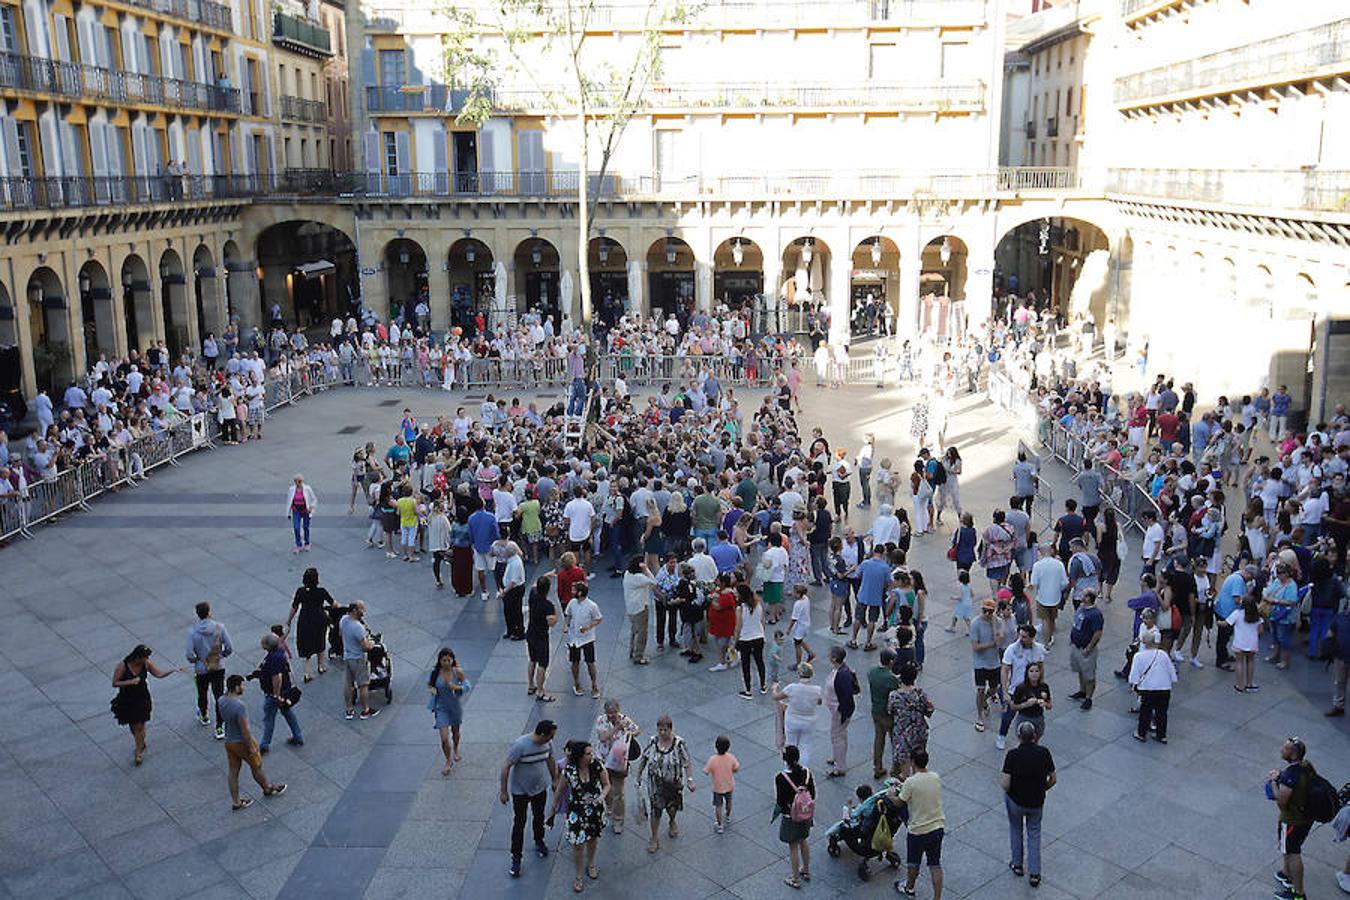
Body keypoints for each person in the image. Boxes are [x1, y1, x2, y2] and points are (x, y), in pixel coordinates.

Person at [219, 674, 287, 810]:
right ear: (236, 687)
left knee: (233, 772)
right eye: (242, 685)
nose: (244, 688)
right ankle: (267, 788)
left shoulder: (221, 700)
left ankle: (236, 802)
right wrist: (251, 747)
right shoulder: (239, 706)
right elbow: (245, 730)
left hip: (229, 741)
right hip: (242, 742)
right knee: (256, 767)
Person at [501, 719, 559, 878]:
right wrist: (503, 791)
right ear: (541, 734)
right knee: (519, 822)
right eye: (549, 736)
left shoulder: (548, 743)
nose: (551, 740)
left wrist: (554, 779)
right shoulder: (520, 745)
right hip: (520, 791)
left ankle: (539, 840)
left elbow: (550, 759)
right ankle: (516, 857)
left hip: (539, 788)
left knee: (539, 816)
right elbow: (506, 766)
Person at [1001, 720, 1056, 887]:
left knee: (1016, 829)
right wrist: (1043, 789)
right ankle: (1035, 873)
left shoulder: (1012, 755)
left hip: (1016, 801)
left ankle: (1017, 864)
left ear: (1019, 736)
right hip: (1036, 801)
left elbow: (1005, 783)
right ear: (1035, 736)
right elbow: (1053, 779)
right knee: (1034, 834)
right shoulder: (1044, 753)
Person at [111, 644, 184, 766]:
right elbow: (115, 682)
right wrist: (130, 682)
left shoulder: (146, 664)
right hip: (127, 699)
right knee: (134, 727)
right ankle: (140, 741)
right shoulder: (123, 665)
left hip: (142, 698)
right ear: (137, 657)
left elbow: (158, 674)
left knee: (140, 725)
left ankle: (138, 752)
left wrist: (171, 671)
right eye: (144, 657)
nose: (146, 659)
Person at [634, 714, 695, 854]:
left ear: (670, 729)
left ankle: (672, 821)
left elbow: (686, 763)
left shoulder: (679, 743)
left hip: (673, 783)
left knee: (672, 808)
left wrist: (690, 779)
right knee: (656, 811)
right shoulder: (653, 741)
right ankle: (654, 837)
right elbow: (644, 758)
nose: (662, 733)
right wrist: (638, 775)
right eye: (660, 730)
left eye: (665, 730)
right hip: (656, 785)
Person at [555, 740, 611, 893]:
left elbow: (607, 784)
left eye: (591, 753)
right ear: (579, 756)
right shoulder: (569, 770)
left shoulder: (597, 766)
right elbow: (559, 791)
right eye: (588, 754)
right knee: (578, 845)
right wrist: (553, 810)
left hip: (594, 809)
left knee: (592, 839)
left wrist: (602, 796)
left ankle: (591, 863)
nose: (591, 756)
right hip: (576, 811)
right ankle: (579, 875)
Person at [895, 749, 945, 900]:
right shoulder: (935, 777)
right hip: (937, 827)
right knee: (935, 864)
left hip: (918, 830)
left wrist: (891, 795)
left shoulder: (910, 782)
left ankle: (909, 887)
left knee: (913, 862)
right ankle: (937, 898)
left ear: (912, 762)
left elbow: (899, 802)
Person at [1269, 737, 1315, 900]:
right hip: (1306, 818)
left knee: (1292, 852)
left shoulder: (1291, 775)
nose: (1282, 750)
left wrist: (1274, 781)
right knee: (1290, 849)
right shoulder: (1306, 766)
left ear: (1294, 755)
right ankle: (1287, 874)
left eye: (1285, 748)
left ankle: (1299, 895)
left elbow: (1281, 801)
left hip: (1292, 821)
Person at [185, 601, 233, 740]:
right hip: (218, 666)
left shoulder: (192, 632)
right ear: (209, 612)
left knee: (202, 692)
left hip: (202, 668)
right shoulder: (220, 627)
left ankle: (204, 715)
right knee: (219, 695)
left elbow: (189, 654)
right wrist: (222, 656)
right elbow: (229, 647)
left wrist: (196, 660)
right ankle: (219, 726)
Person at [593, 699, 640, 834]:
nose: (612, 715)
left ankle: (618, 819)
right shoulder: (601, 720)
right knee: (606, 787)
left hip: (619, 761)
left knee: (618, 792)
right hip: (603, 759)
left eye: (614, 712)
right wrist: (616, 728)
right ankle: (609, 807)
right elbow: (603, 737)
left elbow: (637, 730)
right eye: (610, 713)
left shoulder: (625, 719)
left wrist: (629, 733)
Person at [997, 624, 1046, 751]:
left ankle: (1030, 740)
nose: (1020, 639)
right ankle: (1001, 735)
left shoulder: (1039, 649)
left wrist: (1041, 687)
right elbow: (1005, 669)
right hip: (1015, 689)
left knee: (1032, 716)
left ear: (1032, 637)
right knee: (1008, 715)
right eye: (1020, 635)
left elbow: (1041, 668)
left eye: (1024, 637)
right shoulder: (1012, 649)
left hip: (1032, 688)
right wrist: (1005, 691)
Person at [775, 744, 815, 889]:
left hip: (790, 816)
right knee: (803, 840)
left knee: (793, 846)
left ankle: (795, 879)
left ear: (785, 759)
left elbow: (780, 801)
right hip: (806, 814)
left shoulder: (781, 777)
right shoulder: (807, 773)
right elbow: (813, 794)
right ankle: (806, 869)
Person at [286, 567, 335, 682]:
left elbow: (294, 607)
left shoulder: (300, 591)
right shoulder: (321, 591)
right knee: (320, 640)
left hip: (305, 619)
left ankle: (307, 672)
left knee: (306, 643)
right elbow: (333, 603)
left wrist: (289, 620)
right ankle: (321, 666)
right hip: (319, 618)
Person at [256, 632, 302, 754]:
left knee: (269, 718)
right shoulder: (279, 653)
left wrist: (276, 695)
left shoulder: (273, 658)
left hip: (275, 694)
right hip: (284, 691)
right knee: (287, 712)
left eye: (263, 643)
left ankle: (264, 744)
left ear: (268, 645)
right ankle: (298, 736)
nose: (261, 645)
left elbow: (277, 677)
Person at [1128, 629, 1177, 743]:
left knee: (1146, 711)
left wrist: (1133, 684)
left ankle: (1141, 733)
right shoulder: (1163, 654)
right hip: (1164, 687)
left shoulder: (1139, 656)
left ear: (1144, 643)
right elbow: (1171, 670)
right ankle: (1162, 735)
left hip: (1148, 688)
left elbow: (1134, 673)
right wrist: (1173, 680)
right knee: (1162, 712)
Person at [888, 661, 933, 779]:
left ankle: (906, 787)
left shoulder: (894, 695)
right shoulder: (920, 694)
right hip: (919, 731)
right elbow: (929, 710)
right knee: (918, 761)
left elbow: (890, 711)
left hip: (902, 733)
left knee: (904, 766)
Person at [773, 662, 823, 768]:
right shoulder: (817, 690)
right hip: (809, 721)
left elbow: (776, 697)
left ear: (799, 674)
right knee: (805, 746)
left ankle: (788, 768)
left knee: (790, 744)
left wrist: (774, 688)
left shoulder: (792, 688)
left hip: (792, 720)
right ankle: (803, 769)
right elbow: (819, 702)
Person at [428, 647, 467, 776]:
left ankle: (455, 747)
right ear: (439, 661)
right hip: (441, 707)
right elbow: (430, 684)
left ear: (452, 660)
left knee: (455, 732)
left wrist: (456, 687)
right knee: (444, 738)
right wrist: (432, 690)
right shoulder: (435, 672)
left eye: (448, 660)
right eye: (443, 660)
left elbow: (467, 685)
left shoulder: (457, 672)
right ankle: (448, 760)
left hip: (454, 706)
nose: (446, 663)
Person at [339, 600, 381, 720]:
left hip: (347, 656)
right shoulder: (358, 627)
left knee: (348, 684)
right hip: (357, 658)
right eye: (361, 609)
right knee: (363, 684)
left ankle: (349, 710)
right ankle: (366, 710)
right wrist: (372, 644)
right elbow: (365, 646)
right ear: (355, 610)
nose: (364, 612)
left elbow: (341, 634)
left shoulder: (343, 620)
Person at [823, 645, 858, 778]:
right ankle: (837, 757)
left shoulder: (841, 674)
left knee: (837, 736)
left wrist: (842, 712)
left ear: (834, 658)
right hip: (837, 709)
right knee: (840, 735)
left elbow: (845, 696)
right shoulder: (840, 670)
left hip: (839, 711)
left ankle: (840, 767)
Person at [970, 598, 1003, 733]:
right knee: (980, 689)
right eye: (985, 611)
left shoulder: (998, 622)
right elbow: (975, 646)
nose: (988, 614)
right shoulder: (975, 624)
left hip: (994, 662)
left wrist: (994, 626)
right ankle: (979, 716)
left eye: (990, 612)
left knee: (994, 689)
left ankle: (984, 701)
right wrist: (991, 644)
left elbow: (1000, 642)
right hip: (980, 663)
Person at [1067, 589, 1104, 710]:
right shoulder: (1082, 607)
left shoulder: (1095, 614)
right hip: (1076, 646)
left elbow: (1097, 633)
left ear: (1088, 598)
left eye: (1083, 594)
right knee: (1080, 670)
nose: (1080, 595)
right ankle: (1082, 691)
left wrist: (1089, 648)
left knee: (1089, 674)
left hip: (1086, 649)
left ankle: (1089, 697)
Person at [565, 583, 604, 698]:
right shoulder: (572, 603)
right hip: (574, 638)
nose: (572, 592)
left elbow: (598, 619)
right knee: (574, 662)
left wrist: (589, 627)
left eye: (574, 590)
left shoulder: (592, 606)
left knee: (590, 662)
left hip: (587, 638)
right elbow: (568, 615)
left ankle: (594, 685)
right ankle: (577, 683)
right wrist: (566, 625)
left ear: (580, 593)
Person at [868, 647, 900, 779]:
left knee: (879, 740)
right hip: (888, 714)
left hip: (876, 710)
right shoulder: (891, 678)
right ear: (891, 661)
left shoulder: (872, 672)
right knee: (895, 741)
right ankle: (896, 769)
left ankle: (877, 767)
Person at [525, 576, 558, 702]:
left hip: (530, 633)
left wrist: (546, 574)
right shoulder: (547, 605)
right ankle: (540, 690)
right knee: (542, 664)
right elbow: (552, 623)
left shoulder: (533, 595)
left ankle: (530, 685)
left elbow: (534, 584)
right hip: (541, 637)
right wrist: (556, 613)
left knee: (532, 660)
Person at [1029, 543, 1068, 649]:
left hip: (1042, 597)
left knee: (1044, 620)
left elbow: (1034, 583)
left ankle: (1046, 644)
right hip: (1055, 596)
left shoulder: (1037, 565)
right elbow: (1065, 582)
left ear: (1041, 553)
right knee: (1052, 617)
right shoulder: (1059, 564)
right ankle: (1051, 637)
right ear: (1051, 551)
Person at [735, 584, 768, 699]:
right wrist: (762, 633)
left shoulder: (740, 609)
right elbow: (762, 621)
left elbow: (738, 626)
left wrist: (736, 640)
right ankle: (763, 685)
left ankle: (748, 690)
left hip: (745, 639)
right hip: (759, 637)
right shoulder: (758, 605)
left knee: (746, 665)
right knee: (760, 662)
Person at [623, 556, 656, 665]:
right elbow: (653, 581)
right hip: (641, 607)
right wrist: (646, 569)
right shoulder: (639, 578)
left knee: (634, 631)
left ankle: (632, 651)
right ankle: (639, 656)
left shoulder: (627, 574)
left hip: (630, 608)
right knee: (642, 633)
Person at [703, 734, 740, 834]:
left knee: (718, 806)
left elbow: (706, 771)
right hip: (729, 785)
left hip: (718, 787)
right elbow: (736, 768)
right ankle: (727, 816)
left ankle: (719, 825)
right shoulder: (731, 757)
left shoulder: (712, 759)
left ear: (715, 746)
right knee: (728, 802)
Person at [1008, 660, 1051, 740]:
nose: (1034, 674)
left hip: (1038, 718)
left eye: (1037, 671)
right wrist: (1026, 704)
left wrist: (1044, 704)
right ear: (1027, 673)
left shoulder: (1044, 687)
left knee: (1036, 739)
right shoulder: (1021, 688)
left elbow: (1050, 705)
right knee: (1024, 740)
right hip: (1024, 717)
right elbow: (1013, 706)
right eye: (1031, 671)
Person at [500, 542, 528, 641]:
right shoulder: (512, 560)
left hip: (514, 590)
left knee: (515, 611)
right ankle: (511, 630)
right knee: (508, 611)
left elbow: (514, 581)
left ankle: (519, 632)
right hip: (510, 589)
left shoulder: (516, 563)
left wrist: (504, 591)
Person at [284, 474, 317, 553]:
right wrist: (288, 513)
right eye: (296, 481)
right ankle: (298, 544)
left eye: (299, 481)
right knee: (296, 527)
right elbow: (289, 501)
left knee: (306, 527)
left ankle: (307, 543)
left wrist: (311, 508)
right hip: (296, 511)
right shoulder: (291, 489)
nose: (297, 483)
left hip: (305, 510)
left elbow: (314, 499)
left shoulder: (307, 489)